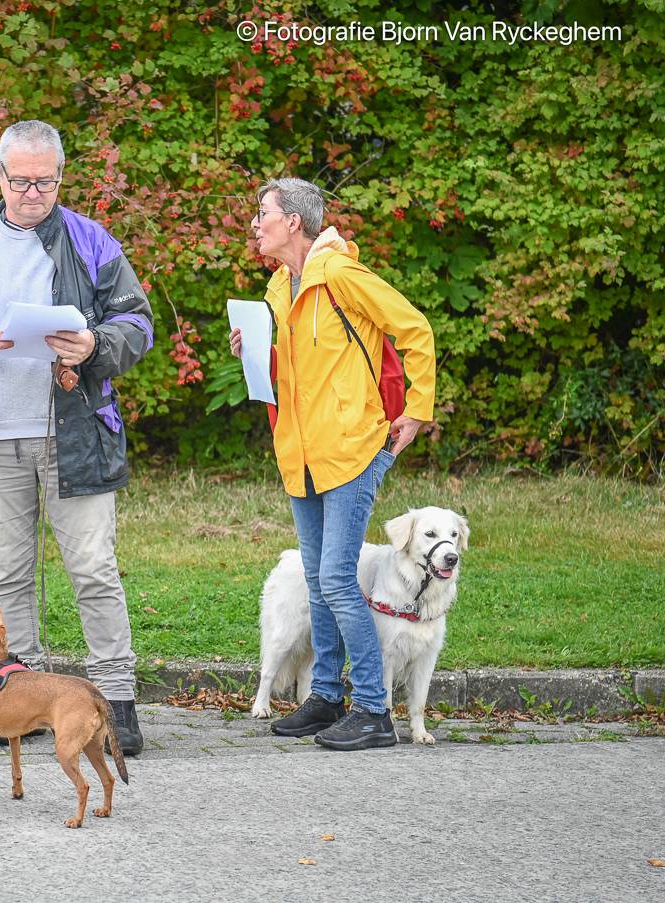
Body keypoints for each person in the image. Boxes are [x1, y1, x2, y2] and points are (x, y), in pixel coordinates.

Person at [0, 120, 155, 755]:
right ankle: (25, 698)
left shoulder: (89, 240)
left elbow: (138, 321)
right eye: (21, 181)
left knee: (93, 569)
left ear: (61, 178)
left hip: (74, 432)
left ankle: (115, 703)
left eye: (45, 181)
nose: (33, 193)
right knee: (7, 574)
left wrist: (98, 343)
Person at [230, 177, 436, 750]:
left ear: (293, 221)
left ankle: (374, 711)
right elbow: (298, 370)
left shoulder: (342, 275)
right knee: (320, 584)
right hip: (302, 455)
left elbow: (415, 329)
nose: (256, 223)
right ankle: (325, 698)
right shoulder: (278, 286)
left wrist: (416, 411)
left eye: (263, 213)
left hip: (352, 449)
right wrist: (254, 351)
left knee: (337, 582)